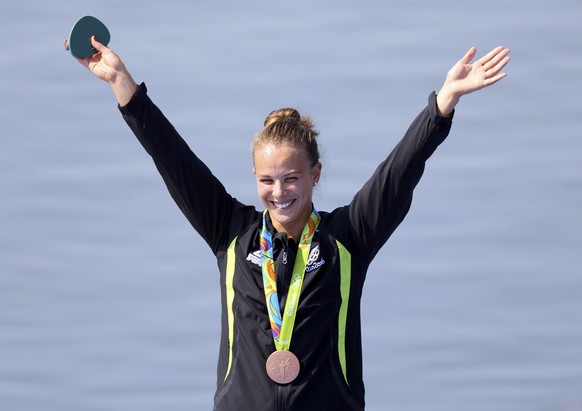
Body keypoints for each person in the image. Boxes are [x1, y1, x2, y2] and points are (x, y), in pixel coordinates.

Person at [69, 35, 510, 410]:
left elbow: (399, 172)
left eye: (291, 178)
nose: (279, 192)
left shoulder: (348, 239)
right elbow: (172, 158)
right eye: (267, 180)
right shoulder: (230, 232)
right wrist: (121, 83)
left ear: (315, 175)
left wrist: (442, 104)